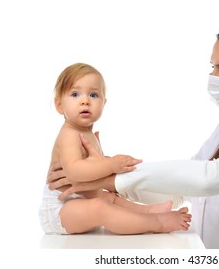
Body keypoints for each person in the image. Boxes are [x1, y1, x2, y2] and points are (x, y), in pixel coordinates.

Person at [48, 17, 219, 248]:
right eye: (212, 67)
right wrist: (109, 188)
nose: (213, 76)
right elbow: (181, 189)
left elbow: (209, 179)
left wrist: (109, 175)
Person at [39, 63, 191, 235]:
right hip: (61, 209)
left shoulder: (88, 135)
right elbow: (74, 172)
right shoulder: (69, 134)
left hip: (82, 204)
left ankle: (148, 212)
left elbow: (92, 174)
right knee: (99, 207)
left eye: (93, 94)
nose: (85, 100)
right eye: (75, 94)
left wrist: (105, 164)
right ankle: (156, 222)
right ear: (59, 105)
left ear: (103, 103)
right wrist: (110, 165)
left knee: (109, 198)